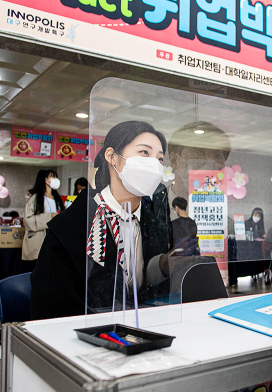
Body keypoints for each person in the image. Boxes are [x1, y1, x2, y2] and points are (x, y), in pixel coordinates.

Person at [30, 121, 184, 320]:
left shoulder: (156, 227)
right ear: (111, 156)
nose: (154, 165)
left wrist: (163, 267)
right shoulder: (72, 226)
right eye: (144, 153)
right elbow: (52, 303)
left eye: (160, 159)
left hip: (148, 327)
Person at [22, 169, 65, 273]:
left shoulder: (57, 198)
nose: (55, 179)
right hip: (38, 240)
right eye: (52, 177)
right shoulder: (35, 198)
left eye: (55, 177)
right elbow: (28, 220)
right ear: (46, 180)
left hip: (55, 240)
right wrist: (49, 217)